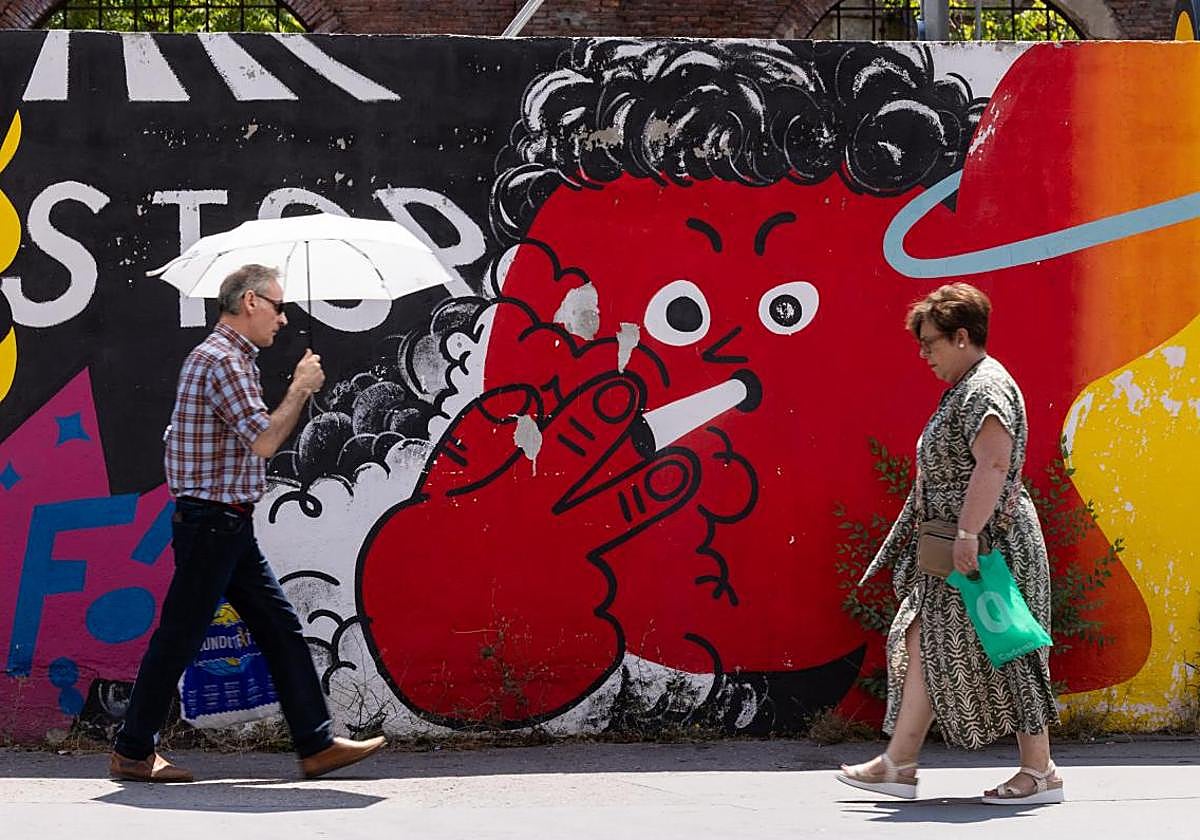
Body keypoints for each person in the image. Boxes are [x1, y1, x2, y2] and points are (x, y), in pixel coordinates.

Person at [110, 264, 385, 782]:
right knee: (179, 638)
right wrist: (301, 388)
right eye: (278, 306)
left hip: (225, 523)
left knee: (278, 629)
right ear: (252, 302)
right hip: (213, 522)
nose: (283, 319)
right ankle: (131, 750)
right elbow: (263, 441)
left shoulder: (224, 358)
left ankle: (315, 743)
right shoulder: (224, 362)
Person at [836, 283, 1063, 805]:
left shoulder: (985, 389)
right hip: (962, 546)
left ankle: (1041, 772)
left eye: (931, 343)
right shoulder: (967, 386)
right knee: (922, 635)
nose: (925, 354)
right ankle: (899, 763)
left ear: (962, 337)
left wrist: (967, 533)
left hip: (991, 547)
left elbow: (993, 462)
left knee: (1013, 648)